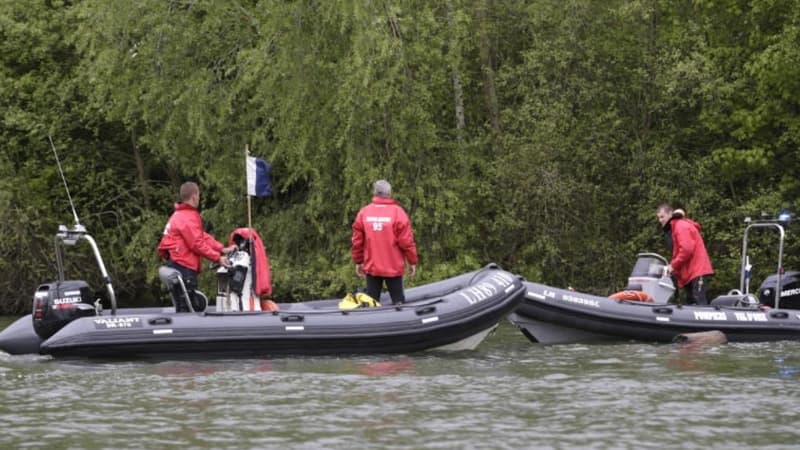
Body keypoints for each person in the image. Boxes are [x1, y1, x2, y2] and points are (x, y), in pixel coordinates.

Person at [158, 182, 236, 312]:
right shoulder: (187, 217)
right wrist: (218, 258)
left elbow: (200, 236)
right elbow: (196, 244)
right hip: (184, 268)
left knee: (184, 304)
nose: (199, 198)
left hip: (176, 264)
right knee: (186, 309)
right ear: (194, 196)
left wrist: (221, 248)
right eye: (199, 195)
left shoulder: (179, 215)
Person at [351, 180, 418, 305]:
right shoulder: (398, 213)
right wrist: (412, 261)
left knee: (372, 304)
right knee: (399, 303)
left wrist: (358, 261)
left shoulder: (364, 213)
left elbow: (357, 242)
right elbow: (406, 241)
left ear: (375, 193)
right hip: (393, 266)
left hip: (372, 267)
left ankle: (372, 322)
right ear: (389, 193)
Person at [656, 204, 714, 305]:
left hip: (697, 270)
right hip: (690, 273)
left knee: (699, 300)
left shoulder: (680, 226)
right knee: (691, 302)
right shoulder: (674, 228)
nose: (660, 220)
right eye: (658, 218)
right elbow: (678, 253)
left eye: (662, 216)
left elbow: (686, 250)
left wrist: (673, 266)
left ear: (670, 214)